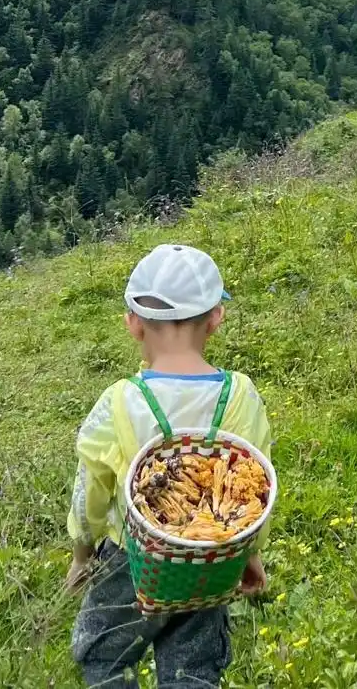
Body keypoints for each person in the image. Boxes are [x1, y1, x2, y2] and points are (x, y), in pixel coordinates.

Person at [65, 244, 272, 689]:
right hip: (210, 559)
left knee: (102, 656)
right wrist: (246, 555)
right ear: (216, 318)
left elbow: (90, 493)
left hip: (132, 560)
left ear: (133, 324)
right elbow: (251, 491)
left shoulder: (119, 401)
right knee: (191, 671)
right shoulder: (239, 395)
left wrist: (82, 554)